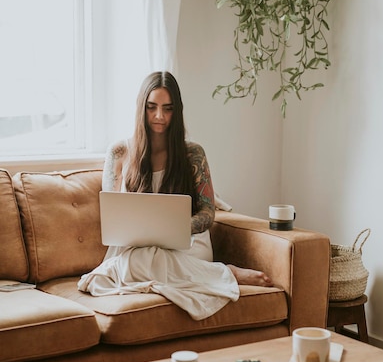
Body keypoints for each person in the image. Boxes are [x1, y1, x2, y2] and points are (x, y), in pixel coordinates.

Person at [78, 71, 272, 319]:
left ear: (177, 111)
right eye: (152, 107)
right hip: (136, 250)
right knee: (127, 264)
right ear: (142, 108)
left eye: (167, 109)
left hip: (187, 247)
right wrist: (146, 234)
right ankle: (223, 274)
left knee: (144, 261)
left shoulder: (193, 154)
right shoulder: (118, 152)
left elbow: (207, 212)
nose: (159, 116)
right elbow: (112, 213)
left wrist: (176, 228)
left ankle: (212, 271)